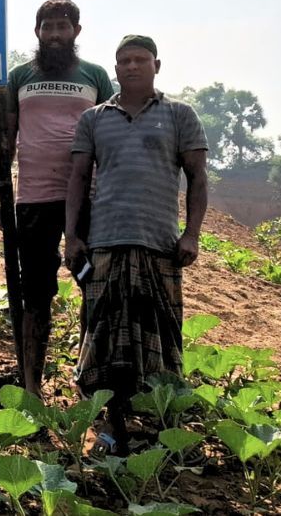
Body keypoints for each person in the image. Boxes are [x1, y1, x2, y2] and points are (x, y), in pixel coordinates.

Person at [64, 34, 208, 454]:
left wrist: (192, 234)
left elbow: (197, 178)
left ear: (156, 65)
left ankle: (158, 425)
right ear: (115, 68)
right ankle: (110, 424)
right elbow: (78, 179)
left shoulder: (180, 115)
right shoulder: (94, 118)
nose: (131, 67)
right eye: (123, 60)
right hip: (105, 243)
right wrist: (72, 236)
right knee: (103, 336)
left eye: (140, 60)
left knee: (159, 336)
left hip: (159, 245)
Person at [0, 0, 115, 397]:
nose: (55, 34)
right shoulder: (20, 76)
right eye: (47, 27)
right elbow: (5, 143)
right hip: (33, 201)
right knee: (34, 294)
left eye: (62, 26)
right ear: (37, 31)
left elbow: (111, 137)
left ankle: (87, 378)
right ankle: (31, 385)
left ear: (76, 31)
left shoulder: (95, 76)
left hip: (89, 199)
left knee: (93, 289)